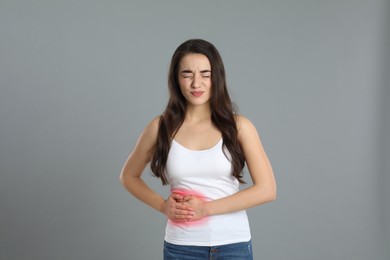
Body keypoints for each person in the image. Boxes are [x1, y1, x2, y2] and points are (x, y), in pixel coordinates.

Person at [120, 39, 276, 260]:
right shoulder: (161, 127)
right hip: (182, 247)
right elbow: (128, 176)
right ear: (176, 79)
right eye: (187, 74)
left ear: (217, 78)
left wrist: (205, 209)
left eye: (205, 74)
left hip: (233, 245)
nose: (196, 83)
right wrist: (162, 206)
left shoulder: (239, 127)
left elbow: (267, 190)